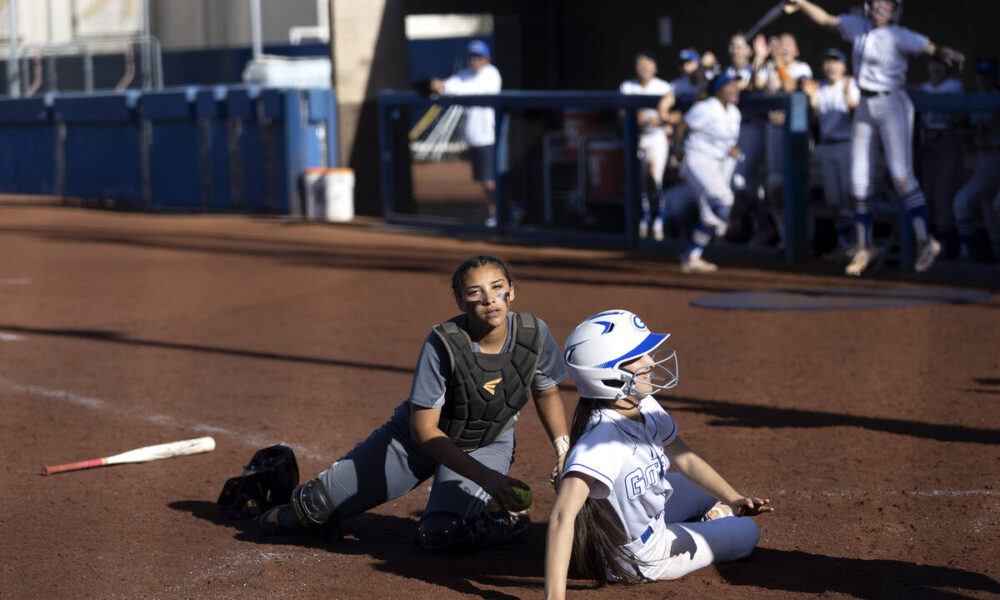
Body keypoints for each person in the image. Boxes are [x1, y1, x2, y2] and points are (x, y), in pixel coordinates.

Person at [258, 255, 571, 551]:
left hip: (485, 443)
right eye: (475, 292)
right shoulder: (444, 343)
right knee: (311, 507)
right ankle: (272, 486)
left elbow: (546, 392)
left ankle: (503, 520)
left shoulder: (533, 334)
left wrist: (562, 448)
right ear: (461, 302)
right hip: (413, 443)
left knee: (443, 533)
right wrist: (487, 478)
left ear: (511, 292)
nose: (489, 298)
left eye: (497, 287)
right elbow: (424, 430)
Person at [544, 309, 772, 598]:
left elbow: (685, 458)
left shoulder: (643, 404)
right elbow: (563, 516)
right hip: (643, 556)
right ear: (607, 375)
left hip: (640, 519)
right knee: (748, 533)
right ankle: (708, 523)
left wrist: (734, 498)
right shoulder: (599, 441)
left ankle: (710, 515)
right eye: (638, 356)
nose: (650, 361)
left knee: (708, 490)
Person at [785, 0, 965, 275]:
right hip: (865, 105)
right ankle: (864, 245)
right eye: (877, 3)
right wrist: (801, 3)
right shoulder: (858, 26)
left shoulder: (900, 35)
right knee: (858, 181)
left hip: (892, 102)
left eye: (887, 5)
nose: (881, 8)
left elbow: (931, 49)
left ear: (895, 10)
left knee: (901, 175)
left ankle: (924, 240)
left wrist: (946, 53)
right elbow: (825, 20)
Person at [430, 40, 505, 228]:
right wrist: (437, 85)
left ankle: (503, 212)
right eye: (471, 56)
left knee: (491, 180)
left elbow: (471, 91)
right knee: (483, 181)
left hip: (489, 136)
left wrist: (445, 87)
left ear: (486, 58)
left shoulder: (491, 74)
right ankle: (494, 213)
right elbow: (450, 85)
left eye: (478, 57)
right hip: (473, 137)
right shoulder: (464, 74)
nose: (474, 60)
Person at [676, 72, 742, 273]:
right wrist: (678, 150)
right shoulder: (705, 107)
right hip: (697, 160)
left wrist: (731, 150)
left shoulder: (734, 113)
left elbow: (726, 141)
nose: (733, 88)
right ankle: (731, 229)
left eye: (735, 84)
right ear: (718, 89)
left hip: (716, 164)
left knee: (711, 216)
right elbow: (681, 126)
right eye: (728, 84)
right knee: (718, 201)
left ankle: (692, 257)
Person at [754, 32, 814, 247]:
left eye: (790, 44)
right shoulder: (769, 66)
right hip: (774, 131)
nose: (784, 47)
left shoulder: (803, 68)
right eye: (781, 43)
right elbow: (755, 85)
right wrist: (760, 58)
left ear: (797, 50)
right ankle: (785, 235)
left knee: (798, 187)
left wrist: (777, 61)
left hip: (796, 135)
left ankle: (802, 239)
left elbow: (789, 87)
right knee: (774, 188)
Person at [802, 49, 860, 257]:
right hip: (826, 145)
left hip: (846, 144)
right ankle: (845, 244)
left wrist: (846, 94)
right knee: (833, 200)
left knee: (848, 195)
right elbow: (814, 120)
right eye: (828, 61)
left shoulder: (850, 84)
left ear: (844, 66)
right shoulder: (820, 87)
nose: (831, 66)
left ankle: (857, 243)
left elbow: (856, 113)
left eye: (836, 61)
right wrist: (810, 99)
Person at [619, 50, 676, 241]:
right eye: (640, 63)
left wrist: (660, 120)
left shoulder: (664, 87)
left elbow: (674, 116)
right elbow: (620, 114)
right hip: (637, 138)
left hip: (657, 137)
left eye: (648, 63)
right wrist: (635, 118)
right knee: (642, 181)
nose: (644, 67)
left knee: (654, 178)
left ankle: (658, 220)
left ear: (655, 67)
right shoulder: (627, 87)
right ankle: (644, 219)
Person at [953, 59, 1000, 263]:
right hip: (981, 157)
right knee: (988, 209)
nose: (983, 78)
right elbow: (964, 128)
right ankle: (991, 257)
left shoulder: (997, 98)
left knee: (962, 202)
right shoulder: (972, 100)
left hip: (996, 156)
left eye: (987, 74)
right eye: (980, 74)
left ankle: (967, 254)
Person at [918, 55, 965, 256]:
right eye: (934, 63)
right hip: (928, 148)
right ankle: (933, 247)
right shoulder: (924, 87)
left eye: (942, 65)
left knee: (945, 198)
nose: (937, 68)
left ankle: (949, 250)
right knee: (928, 198)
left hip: (947, 146)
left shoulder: (955, 86)